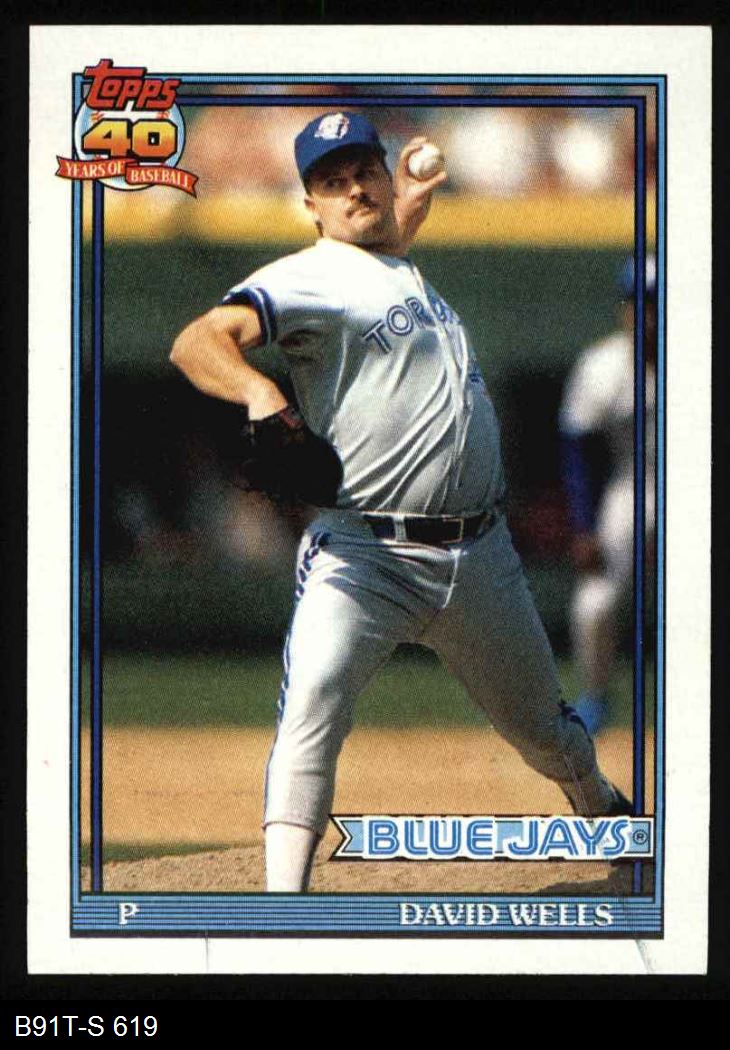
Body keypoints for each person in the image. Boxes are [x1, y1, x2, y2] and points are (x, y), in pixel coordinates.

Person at [171, 112, 632, 893]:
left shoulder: (391, 264)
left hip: (479, 558)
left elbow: (381, 244)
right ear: (310, 205)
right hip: (365, 556)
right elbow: (196, 341)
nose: (352, 188)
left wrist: (410, 197)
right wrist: (258, 392)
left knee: (543, 734)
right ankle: (282, 907)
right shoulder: (307, 275)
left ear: (383, 183)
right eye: (331, 181)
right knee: (313, 706)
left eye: (364, 172)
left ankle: (607, 818)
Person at [559, 256, 656, 736]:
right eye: (639, 303)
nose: (647, 315)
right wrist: (584, 526)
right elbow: (577, 451)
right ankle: (596, 697)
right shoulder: (602, 365)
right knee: (595, 601)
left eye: (656, 304)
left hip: (697, 488)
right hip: (630, 486)